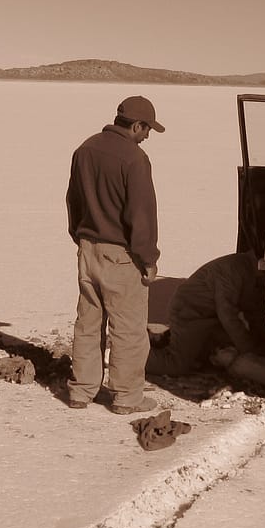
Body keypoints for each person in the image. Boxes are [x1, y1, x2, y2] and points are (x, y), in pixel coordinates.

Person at [65, 95, 165, 414]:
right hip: (121, 255)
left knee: (88, 323)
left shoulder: (86, 149)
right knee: (128, 329)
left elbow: (73, 200)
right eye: (147, 129)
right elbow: (141, 216)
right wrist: (148, 259)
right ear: (136, 125)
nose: (147, 136)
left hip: (88, 249)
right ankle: (126, 398)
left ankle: (81, 391)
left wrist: (80, 237)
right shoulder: (134, 159)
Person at [146, 250, 265, 393]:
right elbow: (228, 318)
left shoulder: (254, 273)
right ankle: (134, 355)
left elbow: (256, 314)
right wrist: (250, 352)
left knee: (215, 354)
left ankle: (162, 341)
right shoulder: (233, 271)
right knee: (176, 365)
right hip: (192, 313)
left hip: (210, 318)